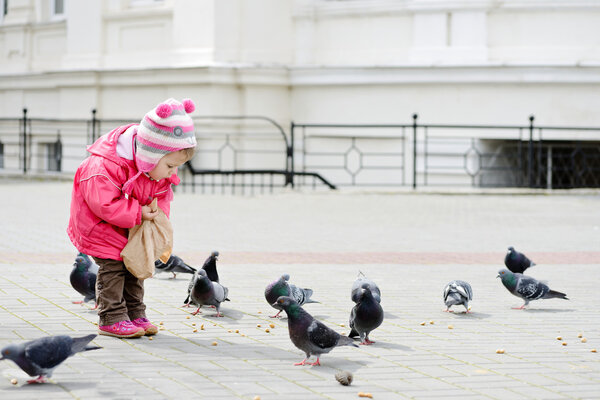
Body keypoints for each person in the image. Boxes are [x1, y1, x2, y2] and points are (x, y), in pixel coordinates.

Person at [67, 98, 197, 338]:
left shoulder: (154, 169)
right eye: (170, 165)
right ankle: (111, 317)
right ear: (151, 154)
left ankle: (135, 313)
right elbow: (104, 204)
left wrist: (158, 218)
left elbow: (162, 195)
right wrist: (138, 213)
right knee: (114, 267)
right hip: (100, 227)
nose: (172, 172)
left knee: (136, 266)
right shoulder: (103, 166)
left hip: (130, 226)